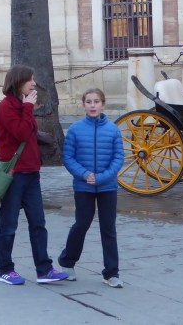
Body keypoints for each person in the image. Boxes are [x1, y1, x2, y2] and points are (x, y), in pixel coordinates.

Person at [0, 65, 67, 285]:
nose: (34, 83)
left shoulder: (23, 105)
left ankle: (44, 269)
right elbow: (21, 133)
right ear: (18, 82)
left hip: (31, 173)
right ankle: (5, 270)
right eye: (30, 80)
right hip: (14, 175)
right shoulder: (6, 106)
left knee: (38, 223)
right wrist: (27, 108)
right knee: (9, 224)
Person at [57, 88, 124, 288]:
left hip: (107, 187)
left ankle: (111, 273)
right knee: (81, 224)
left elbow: (118, 158)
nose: (92, 105)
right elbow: (68, 157)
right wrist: (85, 175)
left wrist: (102, 177)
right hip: (83, 187)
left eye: (96, 101)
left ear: (103, 104)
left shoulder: (113, 130)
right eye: (89, 102)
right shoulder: (75, 129)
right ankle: (67, 262)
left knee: (108, 228)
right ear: (83, 105)